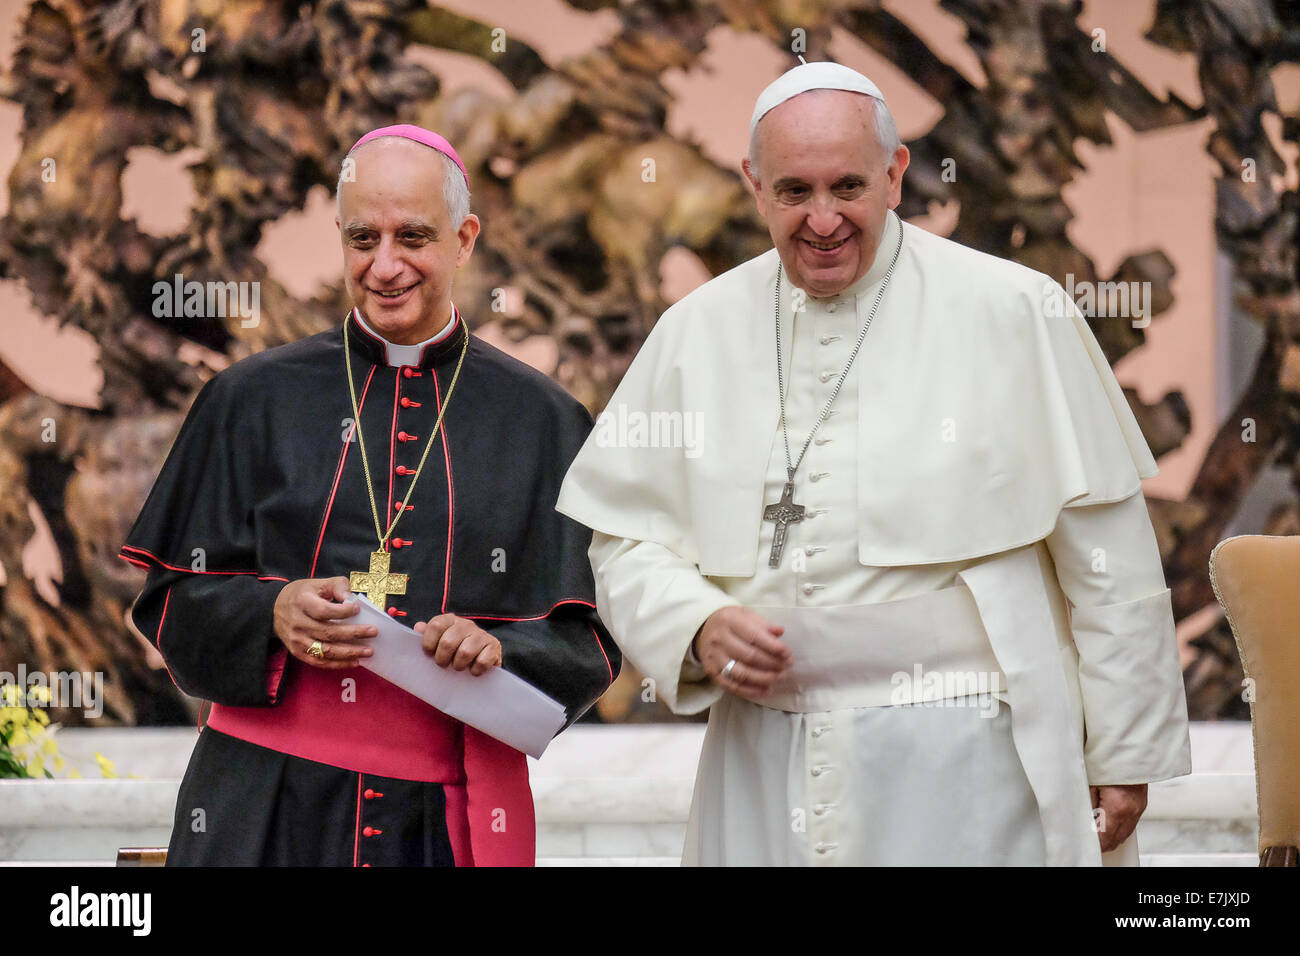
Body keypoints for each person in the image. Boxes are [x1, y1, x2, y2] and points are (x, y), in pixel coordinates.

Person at [556, 63, 1191, 866]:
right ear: (754, 185)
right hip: (765, 759)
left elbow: (1107, 554)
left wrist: (1124, 749)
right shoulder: (695, 332)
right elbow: (626, 541)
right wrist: (696, 625)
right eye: (794, 192)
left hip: (973, 762)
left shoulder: (1015, 311)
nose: (823, 220)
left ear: (896, 175)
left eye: (848, 187)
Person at [120, 124, 619, 867]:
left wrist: (500, 649)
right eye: (363, 238)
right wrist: (271, 611)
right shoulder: (249, 400)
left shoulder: (544, 421)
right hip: (264, 804)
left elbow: (589, 638)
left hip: (437, 822)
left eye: (413, 237)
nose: (385, 266)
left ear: (464, 238)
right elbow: (170, 602)